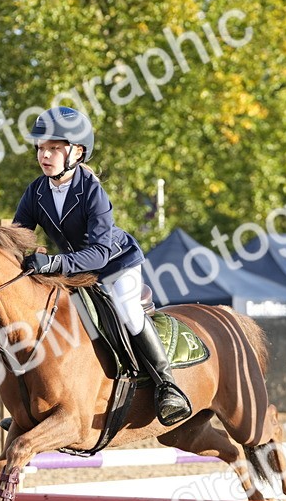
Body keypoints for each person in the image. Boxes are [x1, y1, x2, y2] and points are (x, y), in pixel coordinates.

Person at [13, 106, 192, 426]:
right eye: (40, 148)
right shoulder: (36, 191)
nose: (45, 155)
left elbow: (99, 253)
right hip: (76, 270)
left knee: (128, 311)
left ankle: (167, 385)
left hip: (115, 264)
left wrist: (53, 262)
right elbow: (19, 235)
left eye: (54, 148)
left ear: (77, 152)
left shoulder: (92, 191)